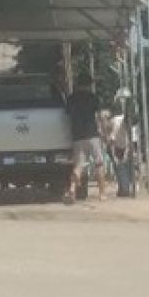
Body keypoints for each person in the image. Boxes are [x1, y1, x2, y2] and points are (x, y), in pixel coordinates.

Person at [65, 73, 106, 203]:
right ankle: (102, 194)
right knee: (99, 164)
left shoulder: (71, 99)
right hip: (92, 135)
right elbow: (99, 117)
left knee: (78, 165)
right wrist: (103, 131)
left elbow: (68, 115)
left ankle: (72, 188)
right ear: (89, 84)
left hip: (77, 136)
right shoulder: (93, 97)